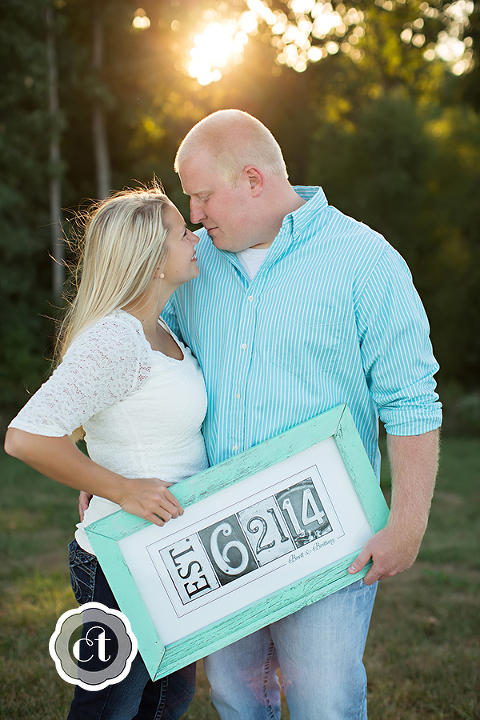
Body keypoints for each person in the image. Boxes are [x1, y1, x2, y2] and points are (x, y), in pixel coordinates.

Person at [161, 109, 441, 720]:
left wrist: (408, 523)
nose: (194, 215)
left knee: (324, 702)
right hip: (218, 537)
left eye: (202, 196)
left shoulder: (365, 259)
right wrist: (109, 469)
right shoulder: (190, 266)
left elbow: (410, 399)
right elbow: (150, 366)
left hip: (330, 536)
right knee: (236, 698)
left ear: (252, 180)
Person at [4, 187, 207, 720]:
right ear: (151, 257)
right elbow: (26, 436)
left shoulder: (159, 329)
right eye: (181, 233)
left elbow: (109, 420)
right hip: (121, 561)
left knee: (167, 699)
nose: (195, 238)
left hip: (169, 554)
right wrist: (120, 489)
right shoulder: (117, 337)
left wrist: (95, 474)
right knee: (107, 706)